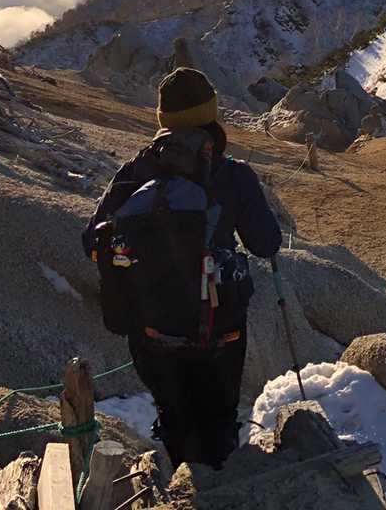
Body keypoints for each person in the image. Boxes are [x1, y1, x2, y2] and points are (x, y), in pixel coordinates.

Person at [83, 67, 282, 469]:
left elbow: (92, 241)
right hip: (220, 326)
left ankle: (184, 480)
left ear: (163, 119)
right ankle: (221, 478)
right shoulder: (234, 174)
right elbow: (266, 243)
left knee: (175, 417)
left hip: (151, 328)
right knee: (219, 421)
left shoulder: (135, 171)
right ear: (211, 114)